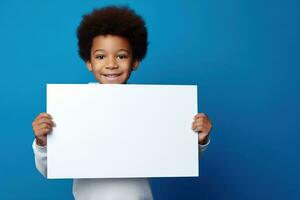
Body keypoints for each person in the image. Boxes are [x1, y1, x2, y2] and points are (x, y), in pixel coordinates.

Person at [32, 6, 212, 200]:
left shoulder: (151, 107)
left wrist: (199, 140)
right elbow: (49, 168)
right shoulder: (72, 107)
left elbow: (177, 157)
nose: (111, 64)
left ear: (135, 61)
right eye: (101, 56)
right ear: (89, 62)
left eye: (121, 56)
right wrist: (42, 142)